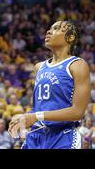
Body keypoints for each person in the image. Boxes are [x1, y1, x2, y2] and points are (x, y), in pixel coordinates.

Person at [9, 21, 91, 149]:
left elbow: (77, 112)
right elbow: (37, 107)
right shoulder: (38, 67)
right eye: (50, 28)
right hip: (36, 136)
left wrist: (36, 116)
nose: (49, 31)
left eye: (57, 29)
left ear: (70, 37)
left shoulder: (77, 65)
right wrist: (24, 120)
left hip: (63, 135)